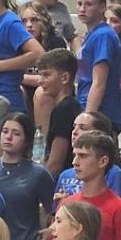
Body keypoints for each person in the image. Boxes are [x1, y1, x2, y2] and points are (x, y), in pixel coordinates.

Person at [76, 0, 121, 132]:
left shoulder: (103, 35)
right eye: (79, 4)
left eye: (89, 4)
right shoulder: (91, 35)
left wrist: (87, 119)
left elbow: (99, 82)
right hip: (87, 105)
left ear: (103, 6)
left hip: (102, 113)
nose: (82, 9)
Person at [53, 111, 121, 206]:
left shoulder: (113, 173)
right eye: (74, 127)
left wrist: (72, 205)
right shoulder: (65, 175)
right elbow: (53, 215)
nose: (74, 132)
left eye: (82, 128)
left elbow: (112, 206)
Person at [37, 48, 81, 178]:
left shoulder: (64, 109)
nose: (40, 81)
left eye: (46, 75)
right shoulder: (71, 105)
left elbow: (56, 162)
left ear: (64, 78)